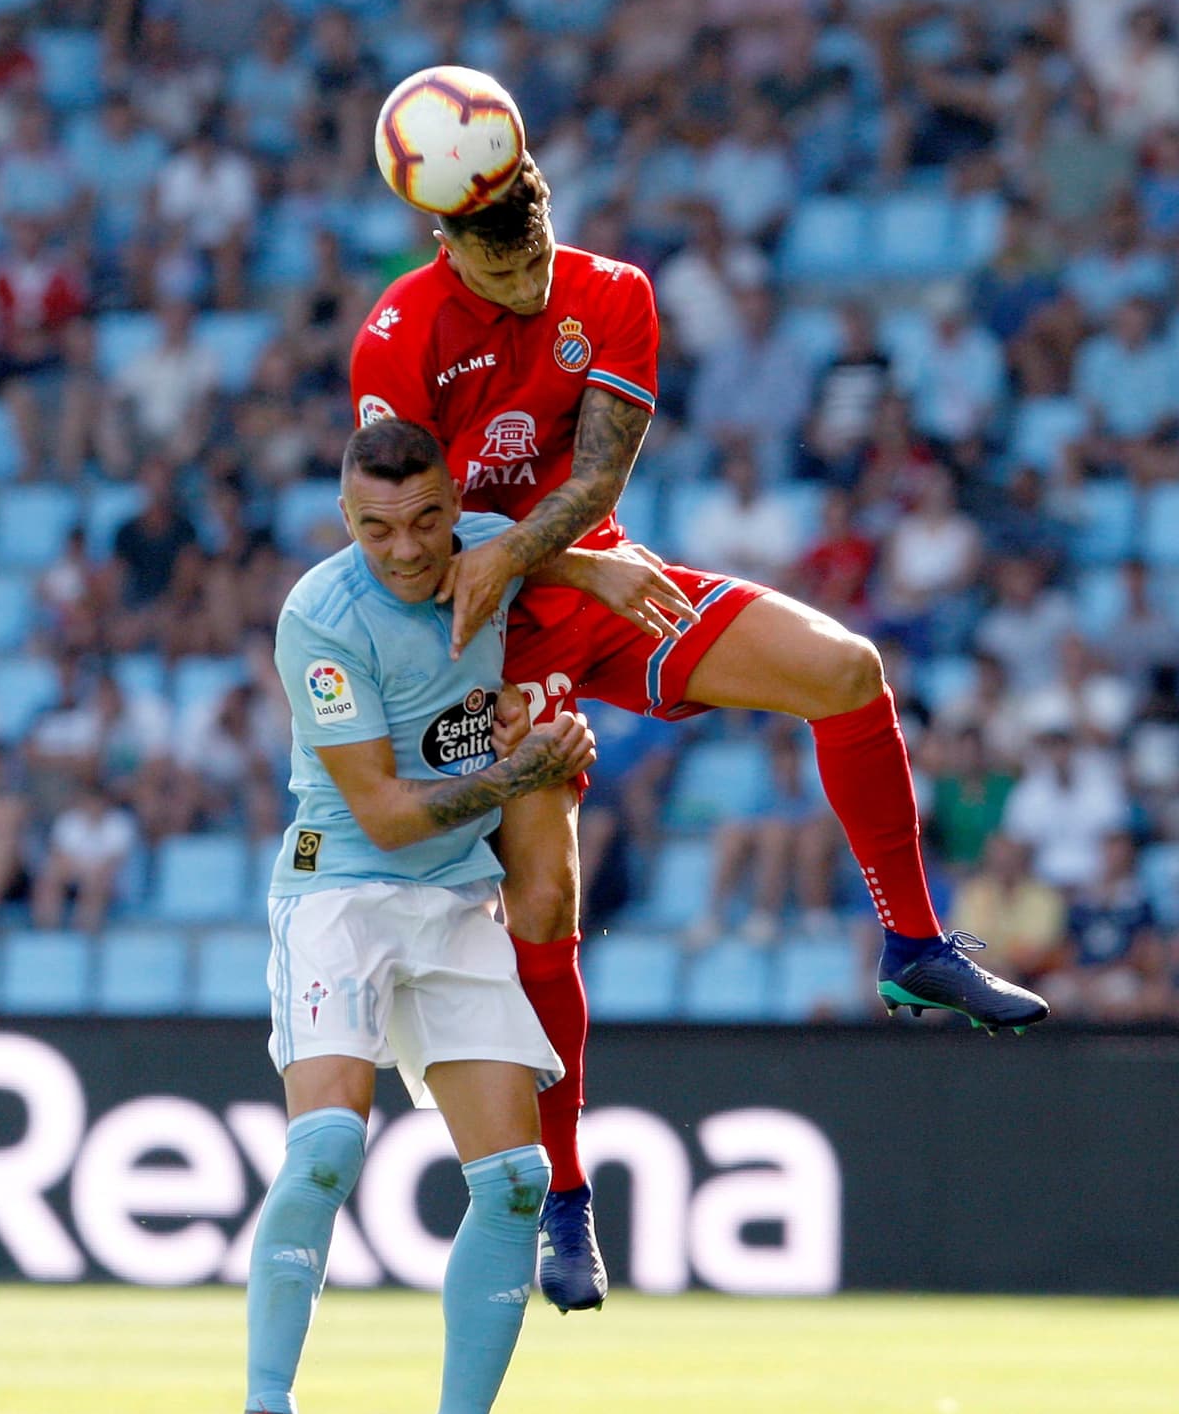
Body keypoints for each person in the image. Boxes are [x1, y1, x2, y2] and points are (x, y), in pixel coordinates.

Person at [351, 120, 1049, 1315]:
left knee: (844, 668)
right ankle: (564, 1199)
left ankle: (912, 944)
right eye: (502, 276)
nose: (526, 290)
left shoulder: (611, 292)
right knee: (548, 896)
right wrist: (568, 570)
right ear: (448, 249)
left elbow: (599, 481)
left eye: (536, 265)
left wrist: (570, 563)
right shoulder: (398, 334)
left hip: (598, 580)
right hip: (489, 643)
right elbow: (409, 547)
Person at [225, 418, 690, 1414]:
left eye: (426, 518)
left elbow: (550, 551)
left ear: (452, 503)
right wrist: (516, 772)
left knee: (517, 1179)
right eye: (377, 526)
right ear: (346, 520)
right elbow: (381, 812)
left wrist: (596, 566)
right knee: (327, 1146)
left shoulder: (489, 543)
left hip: (454, 904)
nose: (406, 547)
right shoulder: (321, 618)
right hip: (342, 891)